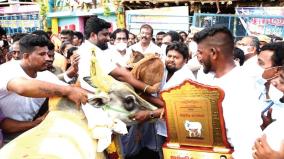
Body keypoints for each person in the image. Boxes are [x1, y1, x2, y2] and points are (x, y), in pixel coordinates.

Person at [0, 34, 88, 143]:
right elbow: (22, 88)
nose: (47, 58)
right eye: (42, 54)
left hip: (33, 131)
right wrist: (68, 91)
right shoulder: (7, 70)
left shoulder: (46, 75)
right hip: (6, 137)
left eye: (47, 54)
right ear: (26, 56)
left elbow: (72, 90)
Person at [194, 25, 262, 159]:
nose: (198, 57)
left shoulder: (239, 84)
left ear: (213, 53)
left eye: (200, 52)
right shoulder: (212, 78)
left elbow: (245, 140)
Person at [123, 42, 195, 159]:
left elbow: (174, 106)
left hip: (177, 130)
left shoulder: (187, 78)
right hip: (159, 126)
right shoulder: (162, 69)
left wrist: (146, 99)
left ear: (185, 60)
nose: (171, 60)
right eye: (169, 56)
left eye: (176, 57)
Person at [78, 16, 160, 94]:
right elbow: (120, 75)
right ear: (93, 35)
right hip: (101, 101)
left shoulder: (84, 49)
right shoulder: (93, 52)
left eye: (124, 38)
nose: (108, 38)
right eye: (104, 34)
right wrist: (148, 89)